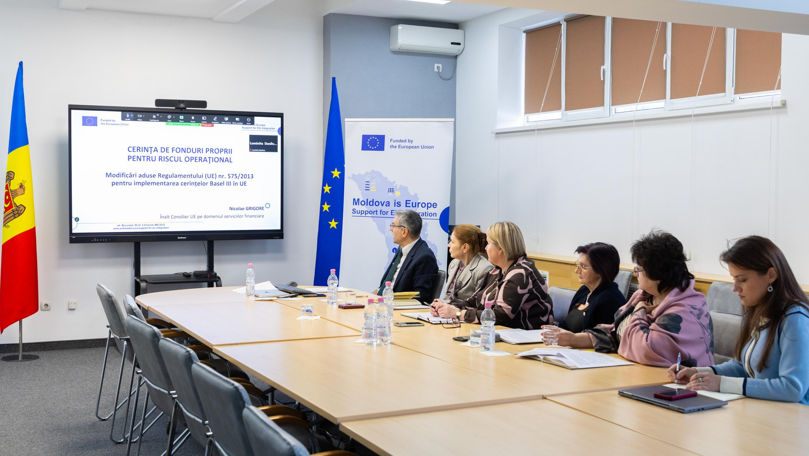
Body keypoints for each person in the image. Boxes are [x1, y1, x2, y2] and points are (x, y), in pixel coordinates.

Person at [668, 236, 809, 404]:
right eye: (734, 279)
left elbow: (792, 388)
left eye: (742, 280)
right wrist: (699, 373)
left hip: (789, 416)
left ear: (771, 275)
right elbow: (742, 366)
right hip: (760, 409)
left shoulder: (794, 319)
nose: (735, 288)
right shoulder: (756, 310)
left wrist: (722, 383)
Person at [543, 231, 714, 367]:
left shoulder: (686, 309)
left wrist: (639, 311)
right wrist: (573, 339)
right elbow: (616, 332)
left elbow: (644, 350)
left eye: (639, 269)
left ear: (657, 274)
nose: (635, 274)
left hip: (677, 387)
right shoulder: (644, 296)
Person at [430, 221, 553, 329]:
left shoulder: (520, 274)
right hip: (502, 334)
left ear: (501, 248)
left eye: (488, 243)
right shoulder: (497, 271)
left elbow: (500, 316)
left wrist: (457, 314)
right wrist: (445, 307)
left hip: (527, 338)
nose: (485, 248)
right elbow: (474, 301)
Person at [376, 209, 438, 304]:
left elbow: (420, 298)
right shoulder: (402, 249)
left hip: (397, 308)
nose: (390, 229)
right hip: (385, 303)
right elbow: (384, 287)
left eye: (393, 225)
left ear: (404, 232)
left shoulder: (424, 257)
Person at [562, 242, 626, 332]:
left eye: (583, 267)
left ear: (601, 270)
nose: (576, 271)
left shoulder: (610, 300)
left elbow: (595, 337)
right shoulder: (584, 290)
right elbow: (566, 325)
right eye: (577, 265)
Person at [443, 224, 493, 304]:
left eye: (452, 242)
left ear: (465, 247)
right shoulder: (453, 264)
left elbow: (478, 304)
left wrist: (450, 308)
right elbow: (448, 296)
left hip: (463, 311)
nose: (448, 245)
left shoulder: (485, 269)